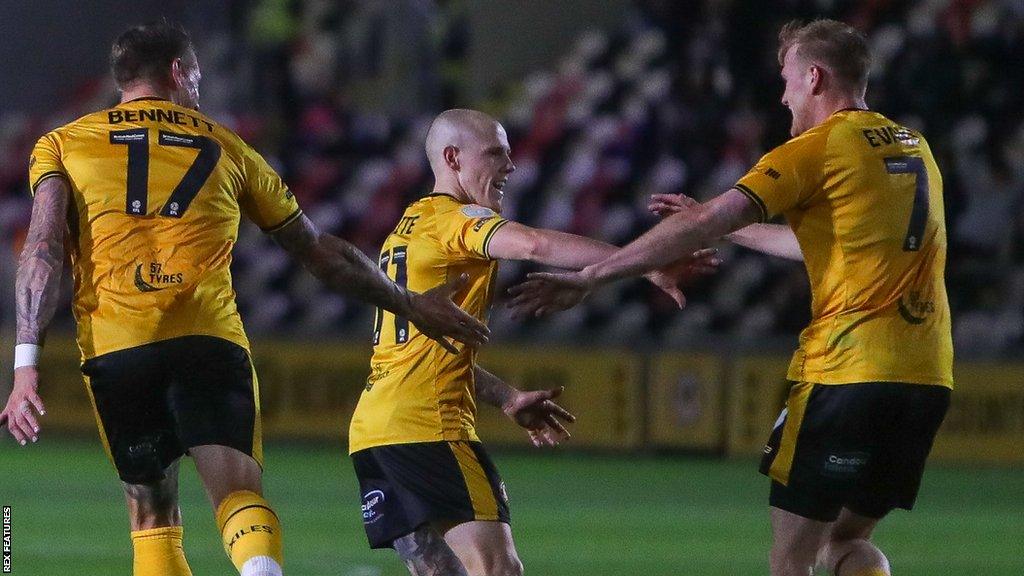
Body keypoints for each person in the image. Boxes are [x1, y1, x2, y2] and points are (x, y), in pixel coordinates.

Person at [0, 21, 489, 576]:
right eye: (198, 74)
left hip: (118, 345)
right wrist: (410, 303)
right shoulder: (228, 146)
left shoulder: (63, 143)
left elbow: (40, 249)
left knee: (151, 513)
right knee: (236, 493)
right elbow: (319, 251)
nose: (200, 86)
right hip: (209, 338)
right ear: (179, 72)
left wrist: (25, 366)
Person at [511, 19, 953, 576]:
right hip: (926, 379)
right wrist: (722, 229)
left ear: (814, 78)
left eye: (787, 78)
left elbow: (711, 217)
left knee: (792, 558)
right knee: (844, 545)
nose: (782, 93)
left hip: (847, 372)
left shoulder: (814, 148)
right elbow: (822, 243)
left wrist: (594, 275)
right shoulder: (914, 148)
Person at [348, 108, 717, 576]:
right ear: (452, 158)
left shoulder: (407, 228)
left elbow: (423, 351)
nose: (511, 166)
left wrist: (506, 396)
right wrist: (646, 265)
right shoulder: (456, 220)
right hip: (430, 427)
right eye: (495, 154)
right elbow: (533, 246)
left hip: (375, 433)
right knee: (499, 570)